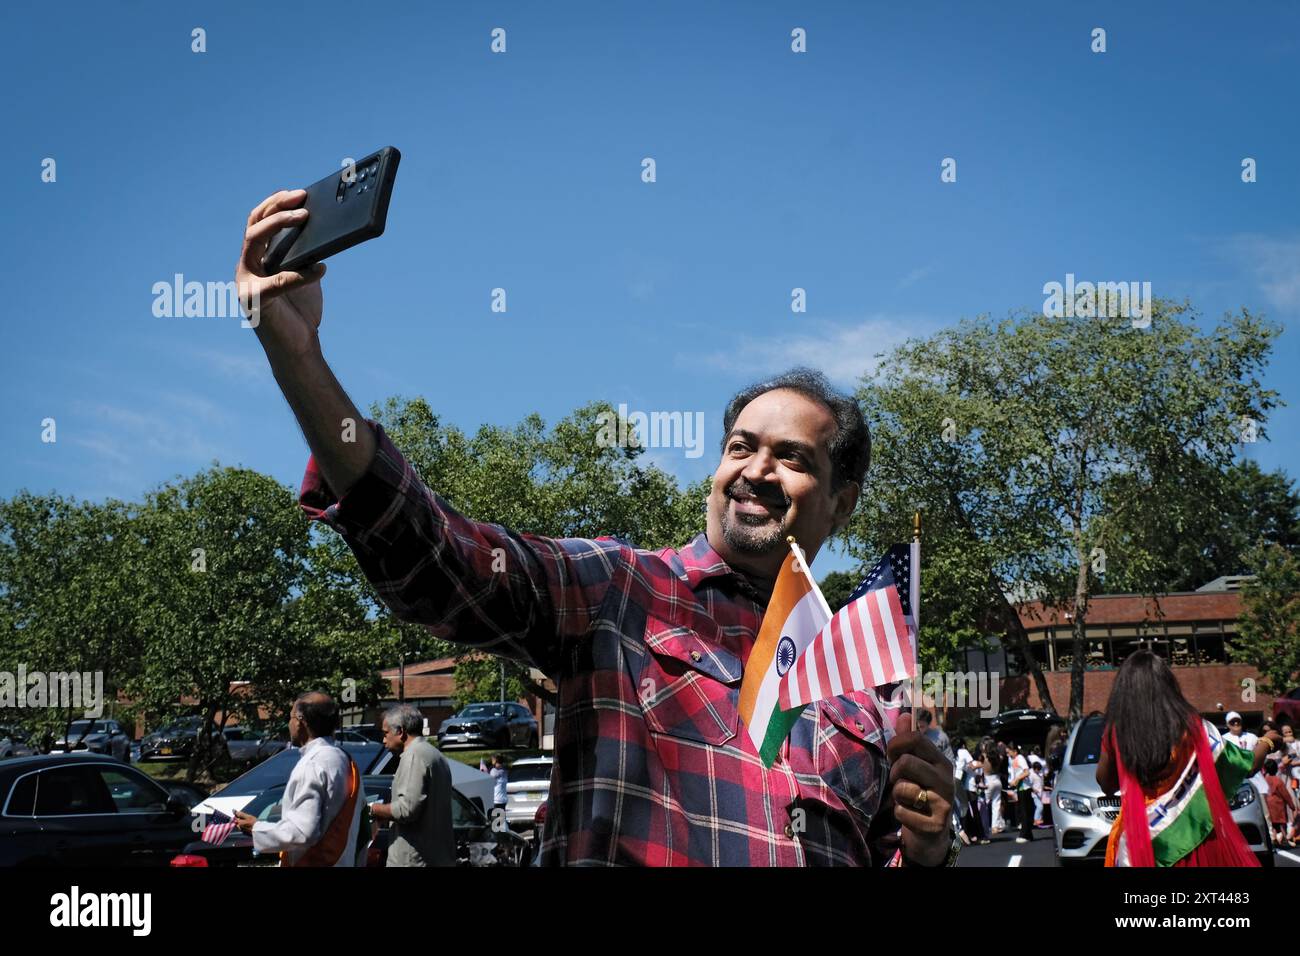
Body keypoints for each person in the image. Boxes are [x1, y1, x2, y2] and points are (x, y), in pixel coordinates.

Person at [235, 207, 959, 867]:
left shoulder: (865, 692)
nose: (756, 470)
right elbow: (431, 553)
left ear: (843, 501)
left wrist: (926, 849)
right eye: (740, 447)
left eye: (793, 457)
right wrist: (299, 359)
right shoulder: (617, 589)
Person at [1096, 651, 1283, 866]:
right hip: (1192, 835)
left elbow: (1106, 785)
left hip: (1141, 840)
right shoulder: (1191, 727)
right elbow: (1244, 764)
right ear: (1168, 685)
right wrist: (1267, 742)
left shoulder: (1117, 732)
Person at [234, 691, 363, 866]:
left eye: (290, 717)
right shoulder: (344, 760)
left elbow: (302, 832)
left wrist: (256, 827)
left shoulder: (312, 765)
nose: (289, 724)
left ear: (301, 722)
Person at [369, 703, 455, 867]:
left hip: (413, 860)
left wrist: (373, 808)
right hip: (435, 857)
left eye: (386, 733)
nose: (383, 740)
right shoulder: (435, 755)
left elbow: (407, 809)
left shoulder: (413, 756)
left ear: (400, 732)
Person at [1262, 762, 1296, 848]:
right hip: (1278, 805)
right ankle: (1284, 840)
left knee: (1273, 824)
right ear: (1276, 769)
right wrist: (1291, 805)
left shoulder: (1265, 780)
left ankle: (1274, 839)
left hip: (1268, 803)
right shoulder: (1278, 780)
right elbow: (1285, 794)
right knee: (1281, 824)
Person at [1006, 742, 1033, 843]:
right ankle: (1028, 834)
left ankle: (1024, 834)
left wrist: (1017, 779)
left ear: (1015, 751)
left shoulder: (1020, 758)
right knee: (1023, 811)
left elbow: (1027, 771)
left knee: (1024, 811)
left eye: (1009, 752)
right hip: (1020, 788)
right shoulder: (1013, 760)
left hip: (1024, 787)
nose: (1008, 754)